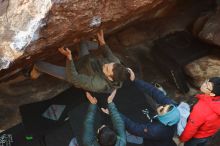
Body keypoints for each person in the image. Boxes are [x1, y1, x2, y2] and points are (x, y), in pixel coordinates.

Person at [30, 29, 135, 93]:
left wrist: (69, 58)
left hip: (74, 73)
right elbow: (108, 53)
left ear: (109, 77)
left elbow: (74, 78)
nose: (106, 64)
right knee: (82, 43)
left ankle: (35, 72)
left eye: (106, 68)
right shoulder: (115, 64)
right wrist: (102, 42)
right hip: (86, 61)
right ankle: (93, 44)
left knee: (40, 64)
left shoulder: (98, 84)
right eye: (109, 64)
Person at [109, 79, 180, 146]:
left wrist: (113, 112)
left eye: (162, 110)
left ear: (164, 119)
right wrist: (135, 80)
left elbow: (134, 128)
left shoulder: (155, 130)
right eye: (164, 105)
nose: (161, 107)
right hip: (166, 138)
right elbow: (155, 92)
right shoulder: (172, 110)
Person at [180, 77, 220, 146]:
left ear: (212, 94)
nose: (203, 84)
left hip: (198, 136)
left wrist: (182, 139)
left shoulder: (200, 109)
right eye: (206, 81)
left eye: (207, 85)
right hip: (211, 133)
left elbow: (191, 128)